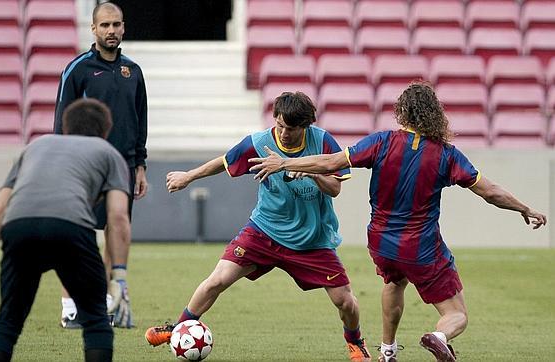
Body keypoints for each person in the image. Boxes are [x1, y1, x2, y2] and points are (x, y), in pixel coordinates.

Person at [248, 82, 548, 362]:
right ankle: (439, 335)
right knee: (457, 314)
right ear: (434, 115)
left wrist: (284, 162)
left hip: (381, 243)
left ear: (401, 112)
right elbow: (490, 192)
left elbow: (331, 162)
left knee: (394, 281)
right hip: (421, 247)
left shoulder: (381, 142)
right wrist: (524, 208)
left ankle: (388, 351)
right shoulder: (446, 155)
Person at [145, 92, 372, 362]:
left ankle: (355, 342)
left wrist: (311, 171)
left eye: (291, 128)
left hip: (311, 240)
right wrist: (189, 176)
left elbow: (335, 188)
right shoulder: (260, 142)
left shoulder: (322, 141)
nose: (284, 133)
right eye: (280, 125)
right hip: (264, 231)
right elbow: (225, 161)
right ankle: (178, 329)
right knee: (216, 280)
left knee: (344, 301)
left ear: (306, 126)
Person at [0, 98, 133, 362]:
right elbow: (118, 217)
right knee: (96, 322)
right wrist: (119, 276)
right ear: (105, 130)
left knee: (8, 323)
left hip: (19, 227)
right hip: (70, 228)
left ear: (65, 125)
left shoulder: (35, 146)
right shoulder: (108, 152)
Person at [53, 2, 148, 329]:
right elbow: (62, 120)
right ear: (93, 29)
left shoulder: (133, 71)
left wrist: (140, 165)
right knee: (78, 233)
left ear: (123, 27)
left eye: (117, 25)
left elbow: (140, 121)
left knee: (115, 232)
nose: (111, 31)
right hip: (83, 165)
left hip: (122, 166)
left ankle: (107, 303)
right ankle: (70, 307)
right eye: (105, 25)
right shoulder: (77, 69)